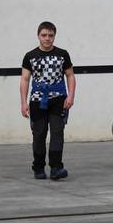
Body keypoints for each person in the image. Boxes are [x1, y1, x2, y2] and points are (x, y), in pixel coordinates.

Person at [20, 21, 76, 181]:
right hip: (37, 100)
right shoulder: (30, 56)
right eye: (44, 35)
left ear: (54, 36)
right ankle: (38, 167)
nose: (47, 39)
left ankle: (56, 167)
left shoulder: (62, 54)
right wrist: (24, 102)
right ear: (38, 36)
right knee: (39, 134)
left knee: (57, 133)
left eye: (50, 35)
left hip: (59, 99)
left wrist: (71, 96)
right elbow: (25, 79)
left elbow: (70, 75)